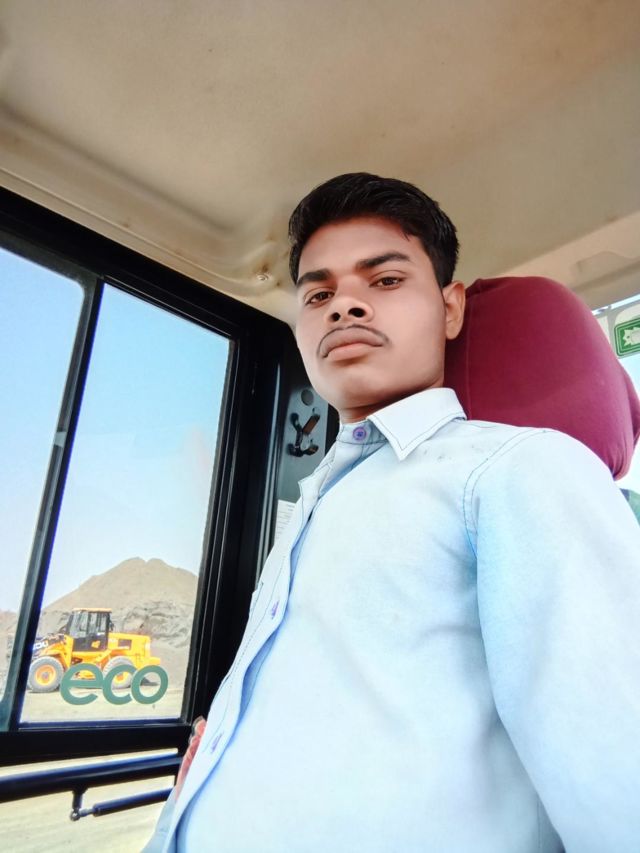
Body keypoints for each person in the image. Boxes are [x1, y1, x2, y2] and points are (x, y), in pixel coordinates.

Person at [146, 173, 640, 853]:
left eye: (384, 280)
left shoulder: (515, 471)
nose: (344, 305)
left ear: (451, 309)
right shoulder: (316, 501)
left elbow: (619, 788)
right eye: (318, 294)